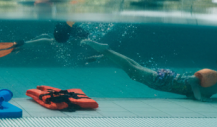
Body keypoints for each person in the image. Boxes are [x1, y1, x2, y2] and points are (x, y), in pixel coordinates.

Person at [82, 40, 217, 101]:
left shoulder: (211, 91)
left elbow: (190, 92)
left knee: (134, 67)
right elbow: (193, 80)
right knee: (132, 70)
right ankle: (105, 50)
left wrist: (197, 96)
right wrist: (199, 97)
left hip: (164, 79)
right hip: (163, 81)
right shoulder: (213, 82)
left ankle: (107, 55)